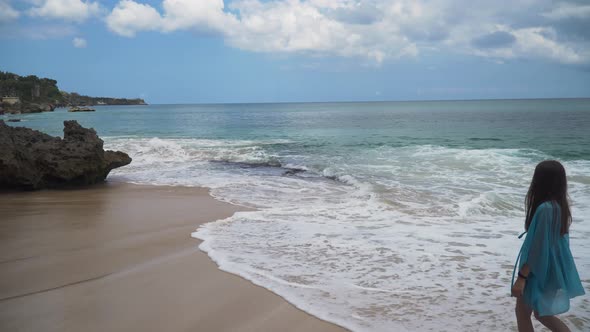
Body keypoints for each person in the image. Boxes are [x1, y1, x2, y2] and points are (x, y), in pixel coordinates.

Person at [511, 160, 585, 331]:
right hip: (552, 268)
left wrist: (522, 278)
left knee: (523, 313)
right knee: (541, 314)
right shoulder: (559, 206)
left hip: (538, 271)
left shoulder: (545, 209)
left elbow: (537, 250)